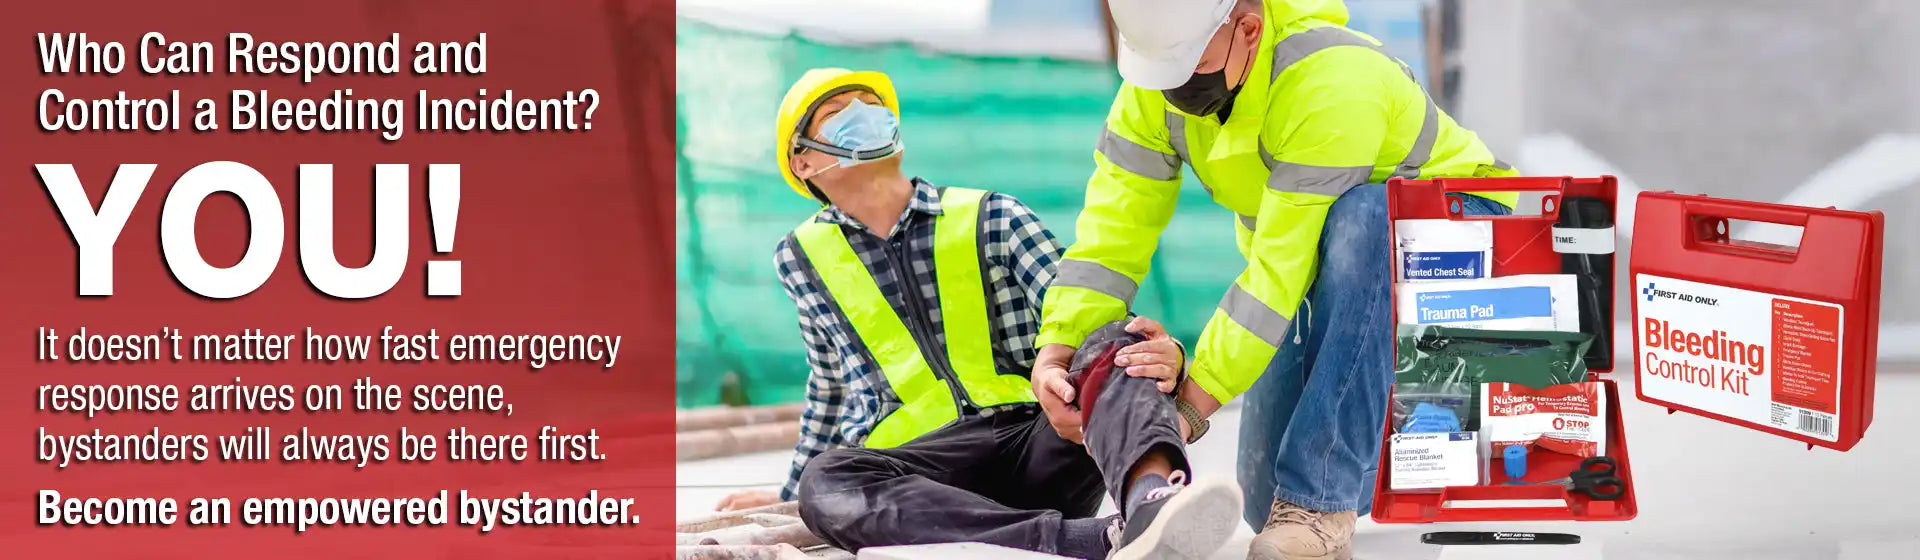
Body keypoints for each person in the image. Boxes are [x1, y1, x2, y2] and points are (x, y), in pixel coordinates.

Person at [1031, 1, 1517, 558]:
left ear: (1249, 28)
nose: (1173, 88)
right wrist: (1059, 351)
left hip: (1469, 238)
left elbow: (1278, 272)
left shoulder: (1330, 82)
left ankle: (1320, 506)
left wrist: (1187, 406)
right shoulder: (1155, 88)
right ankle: (1359, 466)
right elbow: (1112, 236)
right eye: (1159, 70)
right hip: (1329, 265)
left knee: (1368, 216)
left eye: (1187, 66)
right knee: (1264, 500)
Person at [717, 68, 1241, 560]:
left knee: (1113, 336)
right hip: (918, 475)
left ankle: (1152, 502)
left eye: (872, 105)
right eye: (839, 111)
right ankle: (1093, 540)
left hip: (1038, 437)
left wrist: (1160, 354)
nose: (864, 114)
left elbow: (1082, 314)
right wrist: (789, 493)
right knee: (825, 482)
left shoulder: (992, 216)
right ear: (803, 162)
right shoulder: (800, 258)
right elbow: (831, 389)